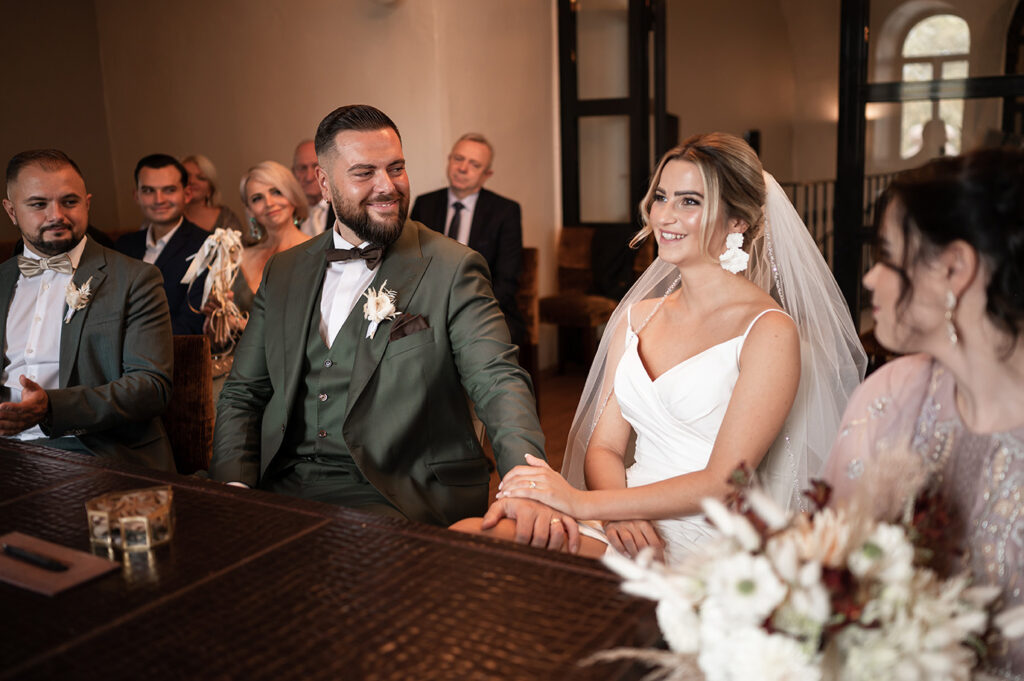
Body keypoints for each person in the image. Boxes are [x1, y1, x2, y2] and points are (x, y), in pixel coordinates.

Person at [479, 133, 866, 563]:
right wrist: (618, 514)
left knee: (488, 547)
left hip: (703, 536)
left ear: (738, 221)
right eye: (661, 197)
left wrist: (580, 503)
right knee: (473, 535)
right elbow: (604, 447)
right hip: (625, 517)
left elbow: (724, 482)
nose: (664, 215)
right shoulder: (636, 318)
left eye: (690, 201)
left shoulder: (769, 331)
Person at [209, 105, 573, 549]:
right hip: (279, 483)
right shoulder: (284, 271)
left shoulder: (452, 267)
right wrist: (235, 488)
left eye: (396, 168)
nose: (387, 186)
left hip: (397, 492)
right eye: (364, 173)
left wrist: (528, 485)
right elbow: (243, 392)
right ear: (324, 183)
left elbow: (498, 381)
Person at [824, 148, 1024, 677]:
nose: (871, 279)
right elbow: (832, 578)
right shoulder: (888, 396)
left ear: (954, 268)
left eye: (888, 256)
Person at [0, 149, 174, 471]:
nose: (56, 215)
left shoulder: (135, 279)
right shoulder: (2, 281)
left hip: (95, 451)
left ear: (87, 203)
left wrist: (52, 408)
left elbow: (151, 387)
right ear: (11, 211)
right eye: (38, 204)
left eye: (69, 202)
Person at [410, 133, 525, 349]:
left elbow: (507, 280)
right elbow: (412, 263)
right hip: (429, 308)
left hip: (485, 308)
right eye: (458, 159)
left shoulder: (505, 211)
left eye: (474, 164)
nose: (463, 168)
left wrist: (466, 310)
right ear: (449, 160)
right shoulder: (425, 204)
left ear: (487, 174)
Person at [114, 154, 208, 335]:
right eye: (148, 191)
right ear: (136, 195)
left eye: (169, 190)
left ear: (187, 194)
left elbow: (192, 323)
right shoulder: (124, 246)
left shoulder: (206, 246)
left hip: (174, 348)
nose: (159, 200)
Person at [182, 153, 243, 234]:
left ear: (210, 189)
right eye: (186, 177)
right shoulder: (168, 214)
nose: (192, 181)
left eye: (201, 178)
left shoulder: (226, 218)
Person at [292, 139, 334, 237]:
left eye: (316, 166)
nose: (309, 177)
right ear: (293, 172)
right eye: (302, 168)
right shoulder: (289, 215)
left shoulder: (344, 210)